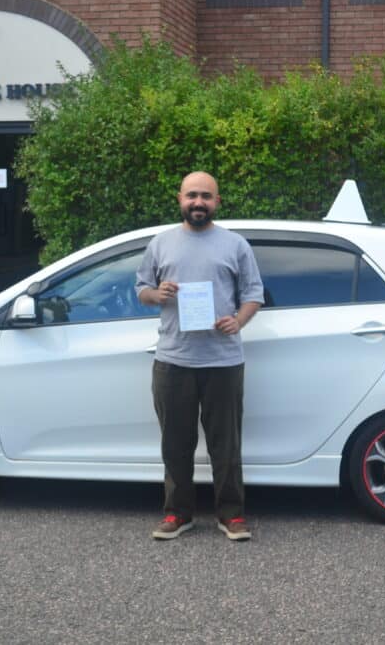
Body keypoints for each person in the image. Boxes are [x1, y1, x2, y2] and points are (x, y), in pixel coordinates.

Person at [135, 171, 264, 542]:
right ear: (180, 199)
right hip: (173, 359)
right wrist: (156, 295)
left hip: (223, 360)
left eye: (206, 196)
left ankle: (232, 515)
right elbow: (141, 288)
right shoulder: (160, 243)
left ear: (217, 202)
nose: (198, 202)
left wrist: (238, 320)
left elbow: (253, 293)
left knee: (226, 445)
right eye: (192, 195)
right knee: (175, 444)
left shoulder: (235, 245)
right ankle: (178, 513)